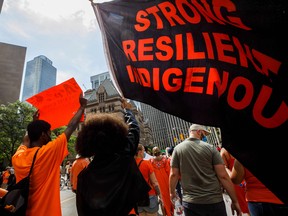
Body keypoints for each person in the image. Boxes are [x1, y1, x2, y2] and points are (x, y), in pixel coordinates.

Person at [12, 93, 87, 216]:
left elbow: (26, 140)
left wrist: (33, 124)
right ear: (43, 135)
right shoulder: (48, 153)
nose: (50, 136)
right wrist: (82, 107)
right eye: (49, 133)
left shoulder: (17, 157)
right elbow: (71, 127)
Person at [75, 98, 149, 216]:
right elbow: (134, 130)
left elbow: (82, 212)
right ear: (117, 135)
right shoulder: (125, 156)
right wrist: (128, 111)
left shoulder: (84, 176)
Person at [169, 124, 242, 216]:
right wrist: (235, 201)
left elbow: (173, 175)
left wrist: (172, 193)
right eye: (203, 135)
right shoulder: (211, 148)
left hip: (190, 202)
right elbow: (223, 176)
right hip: (214, 201)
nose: (203, 138)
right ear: (199, 132)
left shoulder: (177, 149)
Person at [220, 147, 250, 215]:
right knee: (248, 207)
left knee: (244, 208)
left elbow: (224, 169)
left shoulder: (224, 151)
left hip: (236, 182)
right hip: (246, 180)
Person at [135, 144, 162, 216]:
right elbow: (155, 182)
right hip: (150, 196)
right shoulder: (146, 163)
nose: (144, 152)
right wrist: (160, 195)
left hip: (137, 197)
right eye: (143, 150)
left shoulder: (129, 165)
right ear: (140, 152)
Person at [150, 146, 174, 216]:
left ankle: (164, 214)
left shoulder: (151, 161)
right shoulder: (164, 159)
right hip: (166, 181)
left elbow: (151, 173)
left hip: (157, 182)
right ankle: (171, 213)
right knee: (169, 198)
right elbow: (168, 171)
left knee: (161, 199)